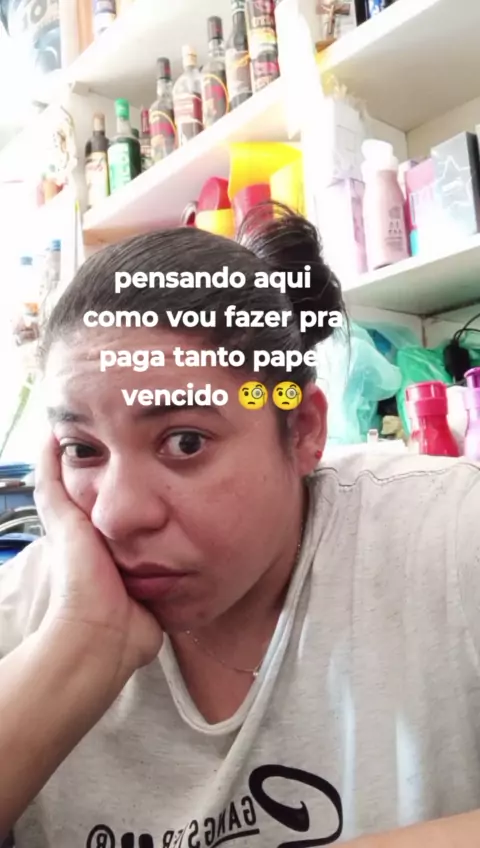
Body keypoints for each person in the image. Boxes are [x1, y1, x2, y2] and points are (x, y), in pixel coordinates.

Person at [0, 208, 479, 848]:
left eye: (185, 441)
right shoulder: (31, 606)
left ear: (302, 430)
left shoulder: (445, 535)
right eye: (82, 450)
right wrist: (83, 644)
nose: (115, 515)